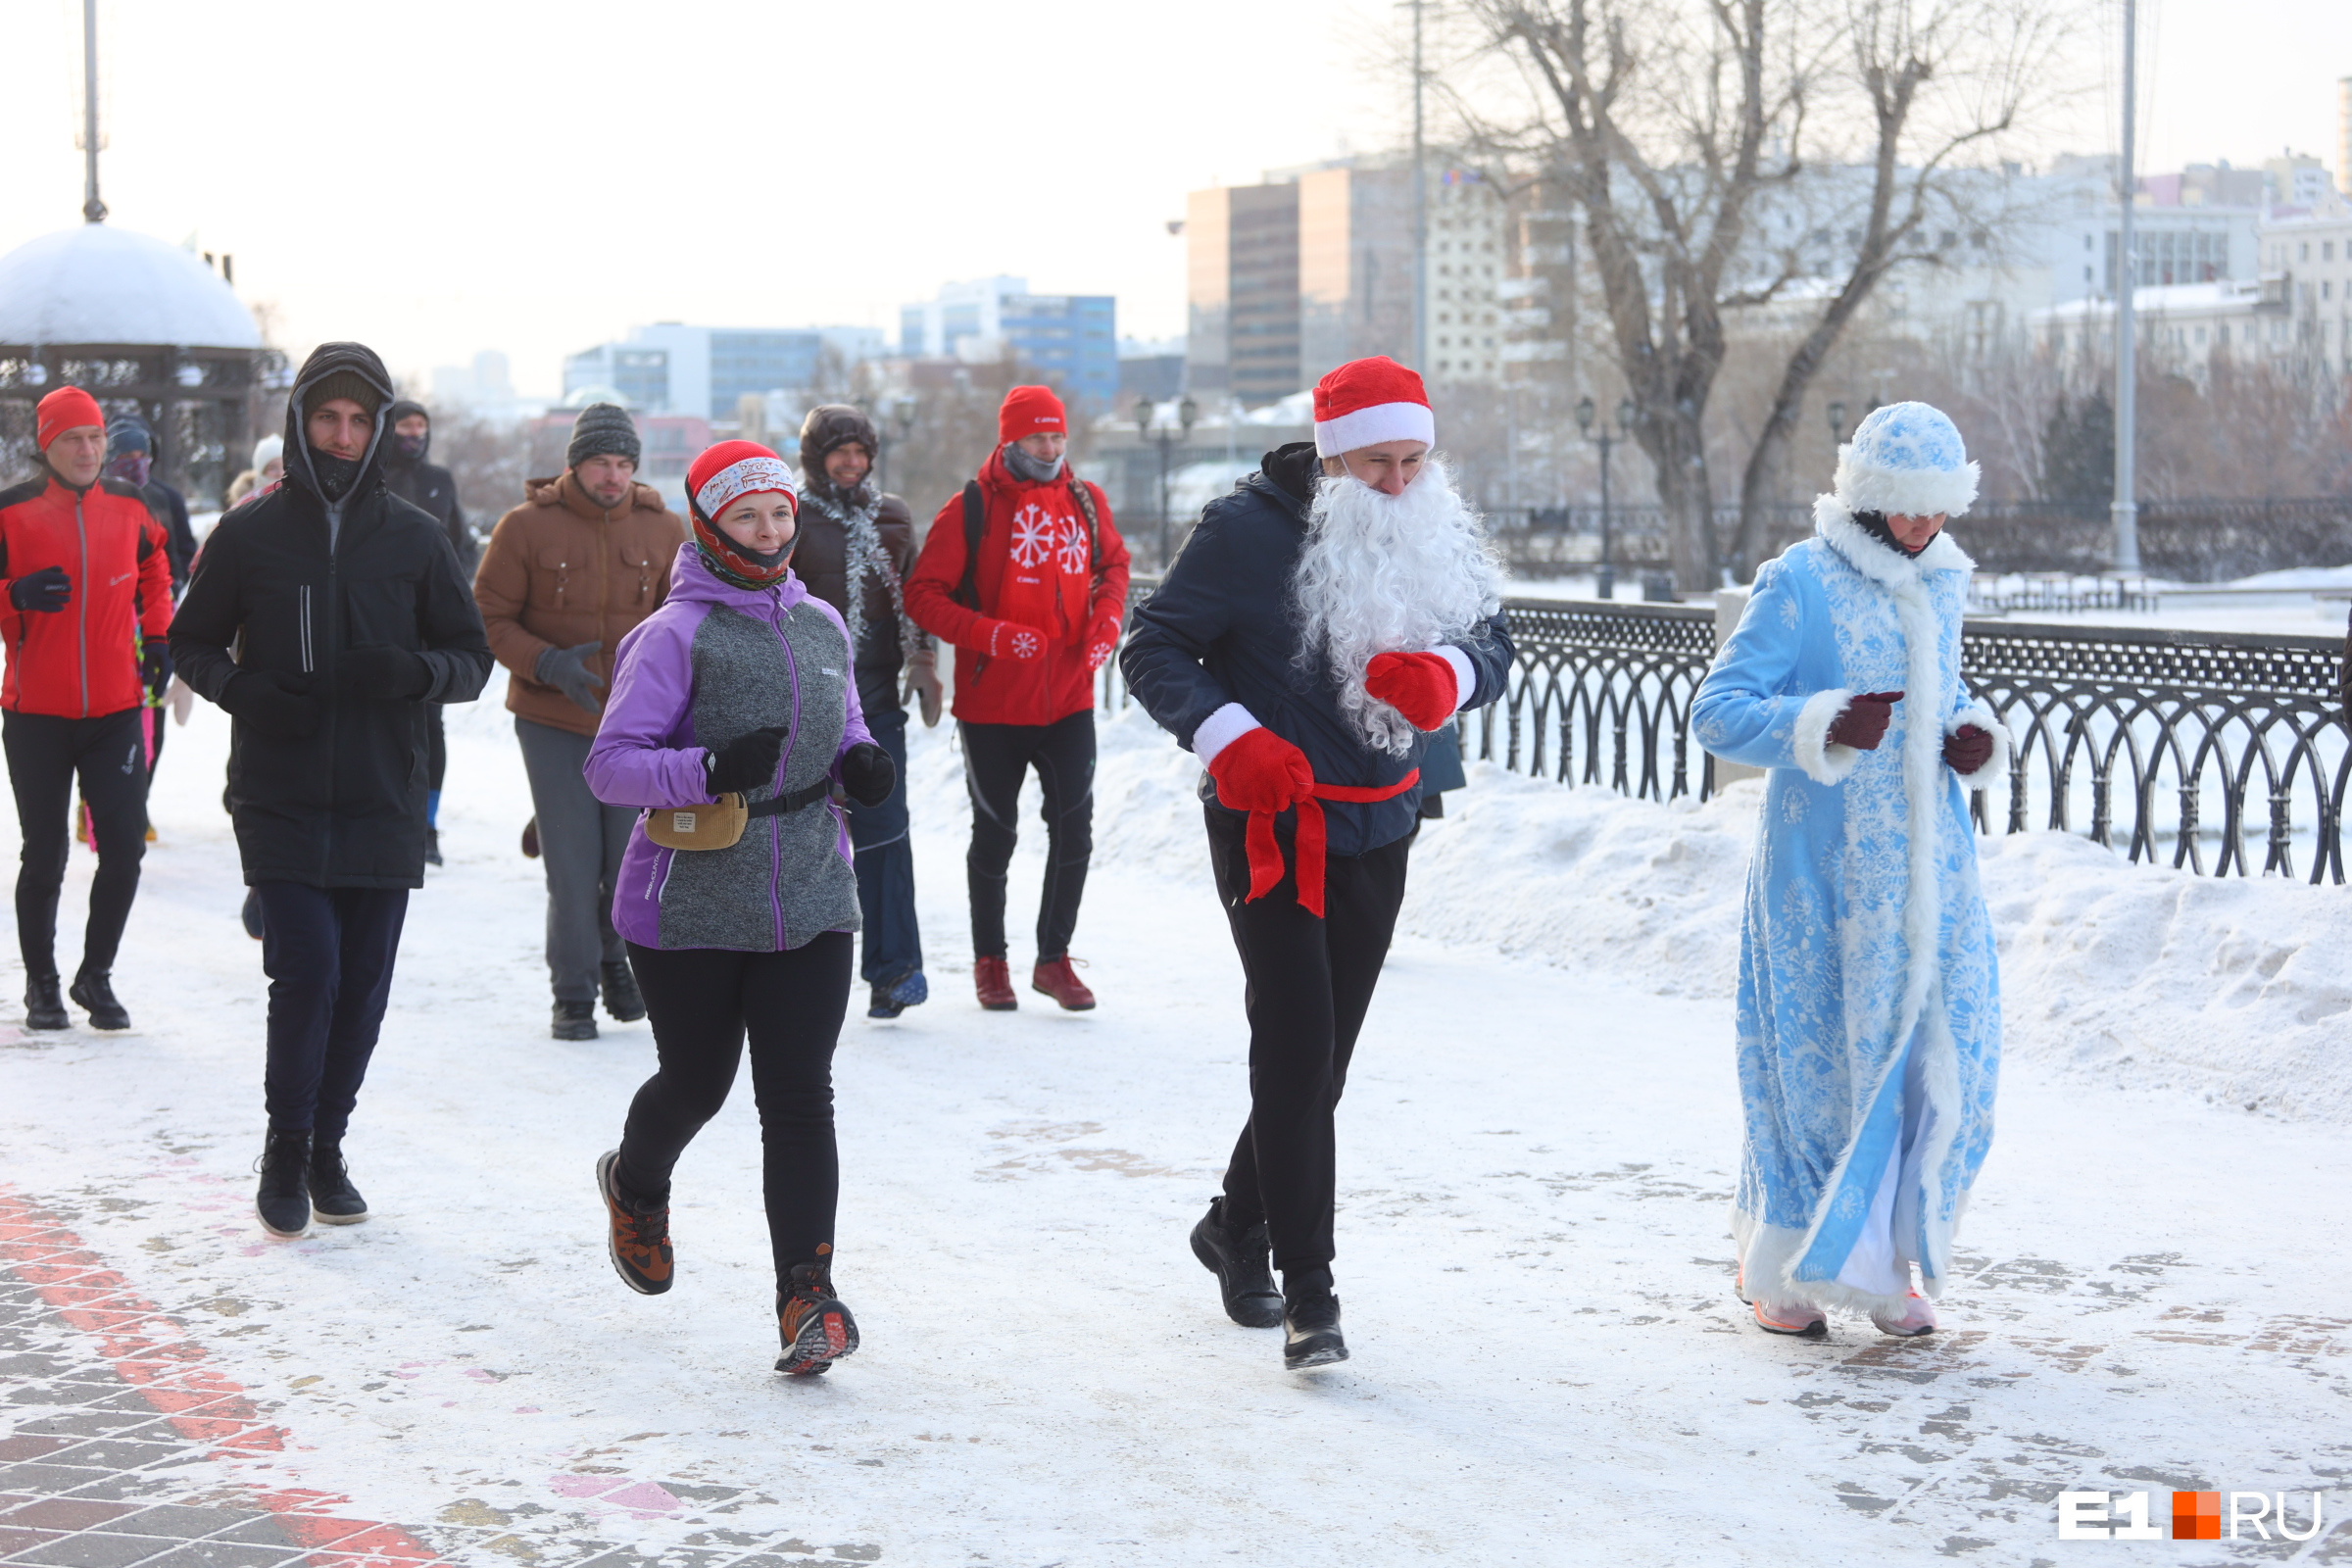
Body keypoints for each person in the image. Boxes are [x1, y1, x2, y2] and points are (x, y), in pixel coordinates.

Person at [1122, 357, 1514, 1371]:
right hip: (1271, 821)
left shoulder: (1429, 520)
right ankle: (1313, 1292)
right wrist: (1229, 736)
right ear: (1331, 455)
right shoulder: (1243, 532)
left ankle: (1232, 1223)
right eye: (1377, 462)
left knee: (1322, 1064)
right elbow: (1153, 646)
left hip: (1383, 824)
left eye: (1414, 460)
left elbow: (1497, 639)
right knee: (1295, 1050)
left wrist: (1448, 675)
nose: (1398, 482)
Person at [1690, 401, 2005, 1341]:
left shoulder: (1944, 581)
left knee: (1927, 1062)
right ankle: (1783, 1271)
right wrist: (1820, 722)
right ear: (1867, 497)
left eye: (1936, 509)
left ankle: (1889, 1263)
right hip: (1818, 875)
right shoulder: (1801, 581)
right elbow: (1719, 710)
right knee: (1819, 1066)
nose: (1921, 527)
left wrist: (1970, 736)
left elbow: (1946, 697)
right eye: (1904, 508)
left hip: (1927, 870)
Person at [584, 440, 897, 1377]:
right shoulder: (674, 635)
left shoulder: (821, 626)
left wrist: (859, 760)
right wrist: (706, 768)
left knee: (799, 1093)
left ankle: (808, 1294)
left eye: (780, 513)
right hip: (692, 892)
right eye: (747, 516)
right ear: (711, 525)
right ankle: (636, 1185)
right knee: (700, 1082)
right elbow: (611, 764)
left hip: (808, 882)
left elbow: (843, 723)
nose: (769, 531)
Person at [171, 342, 493, 1241]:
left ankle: (327, 1147)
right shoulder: (249, 532)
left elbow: (474, 659)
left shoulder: (417, 538)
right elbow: (188, 642)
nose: (344, 436)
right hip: (278, 789)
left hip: (385, 794)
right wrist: (244, 689)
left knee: (362, 986)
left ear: (382, 428)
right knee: (305, 970)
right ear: (301, 423)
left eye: (361, 420)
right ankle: (284, 1144)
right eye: (328, 418)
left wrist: (415, 672)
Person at [904, 385, 1130, 1012]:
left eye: (1058, 437)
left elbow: (1113, 567)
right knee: (997, 832)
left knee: (1074, 831)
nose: (1050, 448)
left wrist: (1107, 620)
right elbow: (923, 594)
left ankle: (1053, 961)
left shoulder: (1085, 499)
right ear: (1010, 440)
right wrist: (990, 635)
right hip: (991, 706)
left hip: (1069, 700)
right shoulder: (970, 507)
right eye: (1038, 438)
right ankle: (990, 962)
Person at [474, 403, 685, 1040]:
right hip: (551, 718)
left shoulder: (662, 528)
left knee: (626, 860)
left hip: (632, 728)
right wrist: (543, 661)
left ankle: (614, 960)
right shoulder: (524, 527)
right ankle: (572, 993)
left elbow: (680, 623)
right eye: (601, 463)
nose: (614, 477)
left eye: (625, 464)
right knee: (571, 865)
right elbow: (487, 617)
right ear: (575, 463)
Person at [0, 387, 175, 1033]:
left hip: (115, 711)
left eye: (96, 437)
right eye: (73, 438)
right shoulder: (11, 513)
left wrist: (157, 636)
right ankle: (41, 985)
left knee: (125, 849)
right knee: (44, 855)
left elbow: (157, 568)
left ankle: (94, 975)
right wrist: (13, 593)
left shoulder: (133, 507)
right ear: (47, 444)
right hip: (34, 715)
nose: (87, 449)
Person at [793, 404, 941, 1020]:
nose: (851, 464)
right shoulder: (791, 515)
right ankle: (791, 965)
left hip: (875, 698)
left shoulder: (894, 516)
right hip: (804, 700)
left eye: (861, 453)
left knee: (885, 826)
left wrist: (923, 662)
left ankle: (895, 968)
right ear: (816, 459)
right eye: (839, 452)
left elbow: (915, 596)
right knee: (802, 833)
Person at [383, 400, 476, 867]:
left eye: (421, 425)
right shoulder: (372, 475)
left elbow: (461, 544)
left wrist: (456, 599)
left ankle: (427, 826)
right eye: (405, 424)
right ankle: (386, 818)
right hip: (379, 624)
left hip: (431, 630)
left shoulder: (440, 480)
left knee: (431, 729)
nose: (413, 433)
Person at [224, 436, 283, 511]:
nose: (280, 473)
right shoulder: (245, 506)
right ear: (261, 471)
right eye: (272, 468)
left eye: (285, 466)